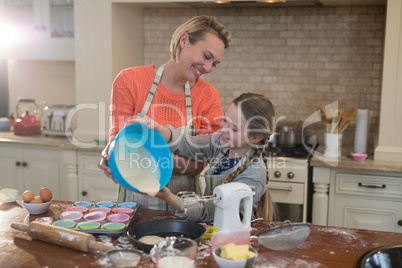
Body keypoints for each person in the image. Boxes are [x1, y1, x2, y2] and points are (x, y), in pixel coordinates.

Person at [99, 15, 231, 210]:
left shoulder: (208, 96)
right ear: (184, 40)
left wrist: (144, 159)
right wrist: (110, 154)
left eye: (215, 63)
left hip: (185, 208)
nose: (209, 68)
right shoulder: (129, 81)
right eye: (206, 56)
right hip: (134, 206)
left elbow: (200, 163)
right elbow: (118, 143)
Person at [130, 92, 276, 221]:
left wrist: (167, 196)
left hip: (234, 235)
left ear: (255, 138)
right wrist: (162, 131)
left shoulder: (253, 174)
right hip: (213, 229)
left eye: (234, 129)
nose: (223, 129)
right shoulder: (220, 143)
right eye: (225, 119)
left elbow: (211, 210)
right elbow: (191, 144)